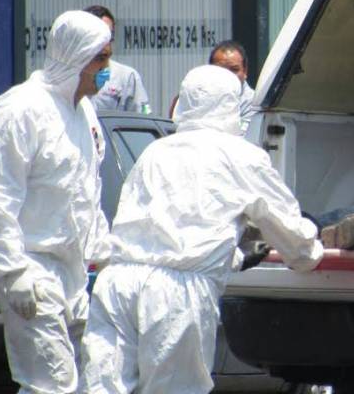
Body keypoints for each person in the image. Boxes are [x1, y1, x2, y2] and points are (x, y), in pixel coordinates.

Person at [78, 65, 323, 393]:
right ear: (231, 104)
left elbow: (162, 229)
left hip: (117, 284)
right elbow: (291, 235)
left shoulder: (156, 151)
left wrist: (236, 258)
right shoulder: (241, 156)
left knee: (102, 387)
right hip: (175, 297)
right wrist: (311, 249)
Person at [0, 10, 113, 393]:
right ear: (77, 57)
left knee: (89, 379)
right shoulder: (19, 111)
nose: (107, 69)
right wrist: (14, 272)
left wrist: (104, 253)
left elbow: (87, 191)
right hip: (28, 266)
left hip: (70, 269)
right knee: (51, 383)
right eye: (101, 59)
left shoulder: (83, 113)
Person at [169, 40, 256, 133]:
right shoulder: (196, 95)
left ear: (245, 71)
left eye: (234, 69)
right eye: (220, 69)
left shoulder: (255, 104)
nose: (227, 75)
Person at [85, 5, 152, 114]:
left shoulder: (127, 77)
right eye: (99, 34)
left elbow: (144, 116)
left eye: (109, 35)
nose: (105, 40)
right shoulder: (70, 76)